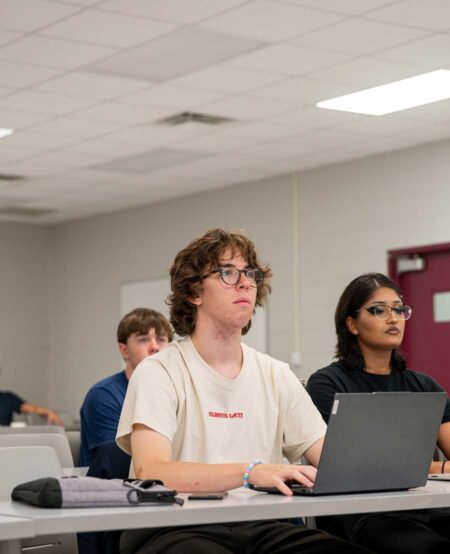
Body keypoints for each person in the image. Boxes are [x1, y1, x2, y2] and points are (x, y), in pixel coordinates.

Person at [116, 228, 372, 554]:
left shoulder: (276, 374)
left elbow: (336, 463)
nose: (246, 283)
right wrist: (252, 472)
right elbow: (153, 471)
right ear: (194, 291)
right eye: (227, 272)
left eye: (250, 273)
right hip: (174, 527)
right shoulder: (159, 371)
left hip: (263, 526)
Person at [307, 272, 450, 554]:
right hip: (359, 512)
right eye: (378, 310)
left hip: (421, 504)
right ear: (352, 324)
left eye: (399, 309)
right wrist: (439, 468)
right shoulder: (328, 383)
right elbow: (352, 466)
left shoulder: (423, 385)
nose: (393, 318)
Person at [79, 308, 172, 466]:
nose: (154, 347)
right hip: (115, 485)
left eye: (161, 339)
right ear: (124, 350)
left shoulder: (175, 392)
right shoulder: (103, 395)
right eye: (143, 339)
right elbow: (117, 458)